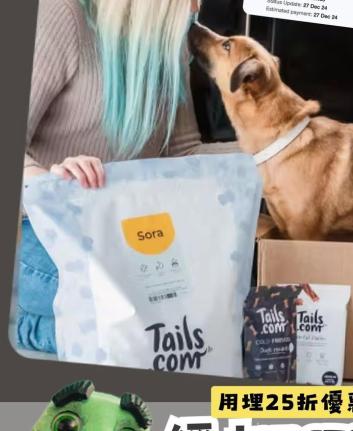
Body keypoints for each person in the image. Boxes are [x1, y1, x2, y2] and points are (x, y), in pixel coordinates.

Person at [17, 0, 231, 353]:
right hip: (48, 230)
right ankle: (32, 326)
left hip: (127, 229)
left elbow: (183, 154)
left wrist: (282, 151)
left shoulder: (167, 36)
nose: (197, 5)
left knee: (210, 303)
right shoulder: (61, 16)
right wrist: (51, 179)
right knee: (145, 315)